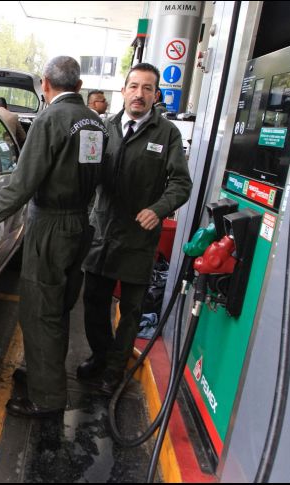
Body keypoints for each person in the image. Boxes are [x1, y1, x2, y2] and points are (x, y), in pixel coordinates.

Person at [0, 56, 107, 418]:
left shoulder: (51, 119)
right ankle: (44, 374)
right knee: (58, 308)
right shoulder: (95, 121)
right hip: (80, 225)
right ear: (78, 85)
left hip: (52, 227)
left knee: (40, 312)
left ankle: (47, 398)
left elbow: (22, 184)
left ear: (46, 84)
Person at [78, 63, 192, 395]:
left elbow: (181, 184)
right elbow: (86, 172)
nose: (139, 94)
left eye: (146, 88)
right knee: (94, 302)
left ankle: (115, 369)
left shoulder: (166, 133)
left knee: (130, 310)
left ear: (156, 95)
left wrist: (158, 210)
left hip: (138, 239)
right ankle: (101, 356)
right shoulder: (104, 127)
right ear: (124, 90)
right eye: (133, 86)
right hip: (102, 233)